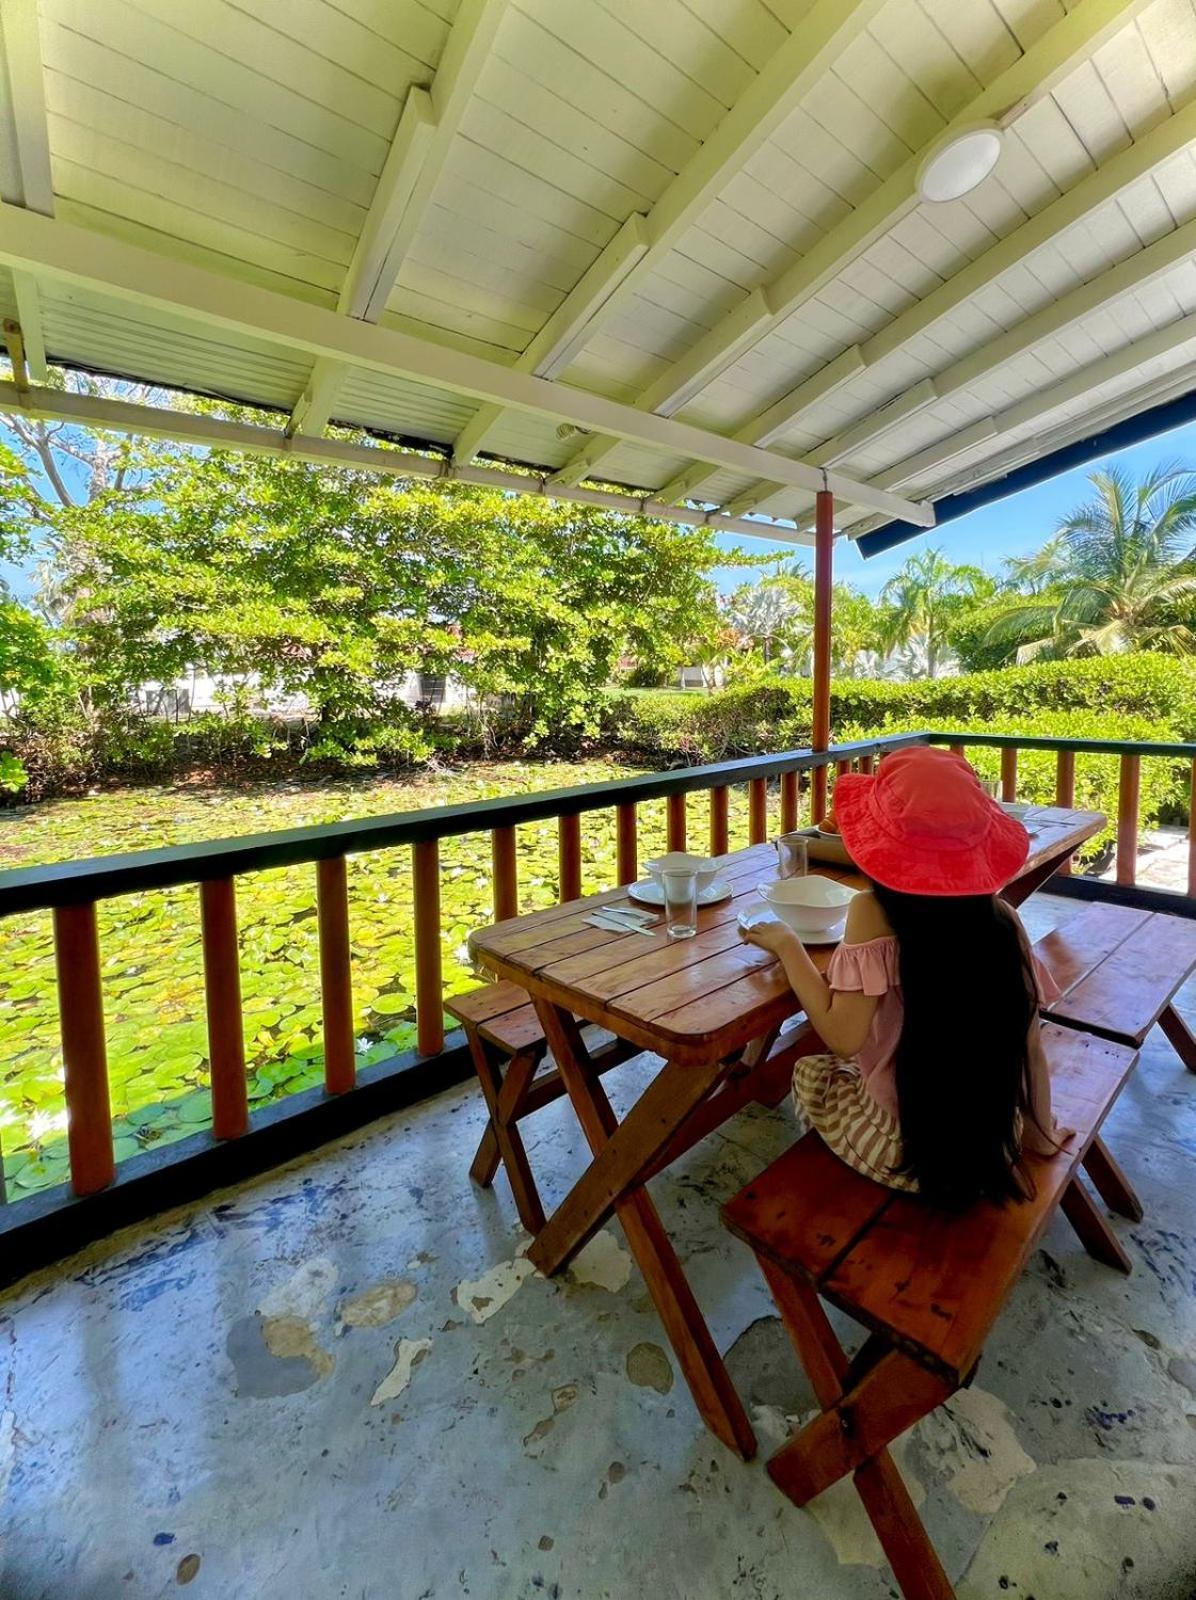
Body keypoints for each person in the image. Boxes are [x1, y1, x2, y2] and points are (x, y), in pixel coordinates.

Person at [741, 746, 1071, 1208]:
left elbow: (842, 1036)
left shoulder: (870, 912)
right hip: (990, 1143)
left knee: (810, 1071)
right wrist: (1039, 1137)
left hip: (900, 1151)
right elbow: (1031, 1048)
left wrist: (787, 946)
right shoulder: (1004, 921)